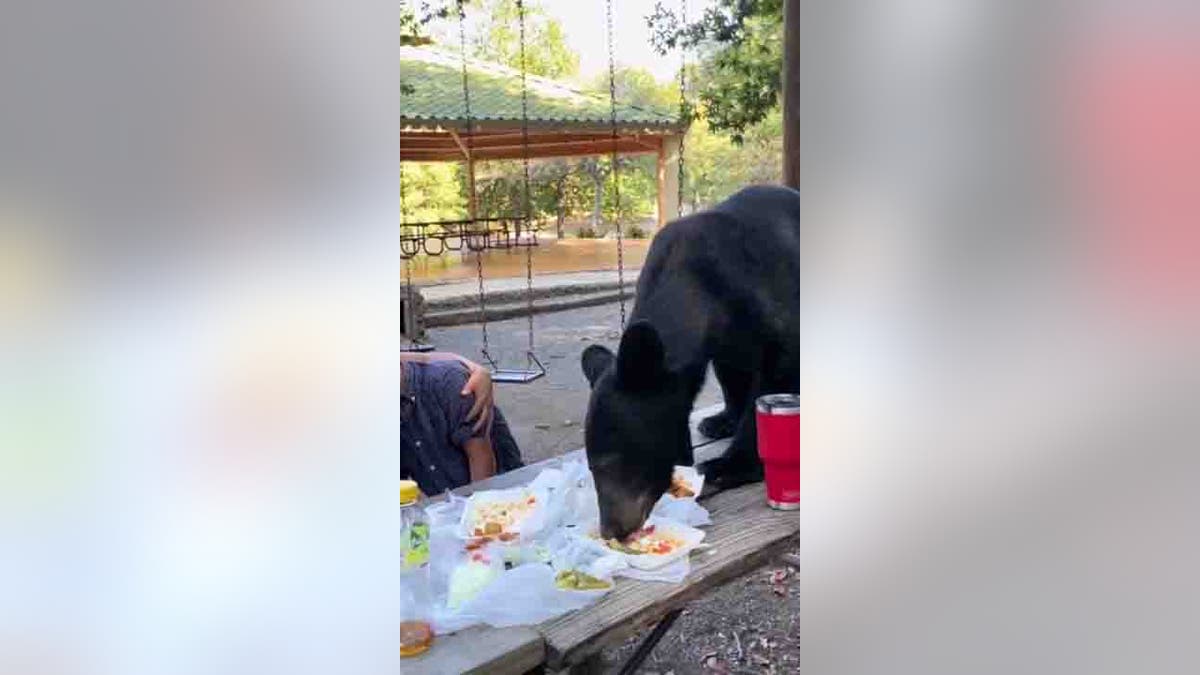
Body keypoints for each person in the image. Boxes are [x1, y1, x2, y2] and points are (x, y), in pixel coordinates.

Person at [400, 352, 523, 495]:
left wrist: (477, 512)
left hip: (505, 493)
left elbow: (482, 463)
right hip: (448, 502)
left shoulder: (447, 383)